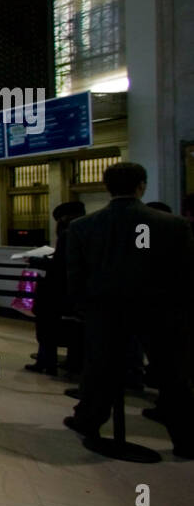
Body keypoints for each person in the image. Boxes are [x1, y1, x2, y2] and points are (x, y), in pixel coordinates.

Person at [63, 162, 194, 456]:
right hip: (160, 312)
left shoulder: (83, 227)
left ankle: (89, 421)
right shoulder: (173, 225)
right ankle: (185, 438)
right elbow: (185, 274)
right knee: (173, 377)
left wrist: (85, 308)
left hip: (105, 311)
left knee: (100, 371)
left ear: (106, 187)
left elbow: (76, 276)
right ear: (142, 186)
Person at [25, 201, 86, 376]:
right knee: (72, 330)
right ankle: (69, 363)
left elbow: (60, 265)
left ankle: (47, 362)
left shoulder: (68, 234)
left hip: (55, 291)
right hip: (73, 291)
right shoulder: (86, 231)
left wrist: (37, 261)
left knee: (47, 327)